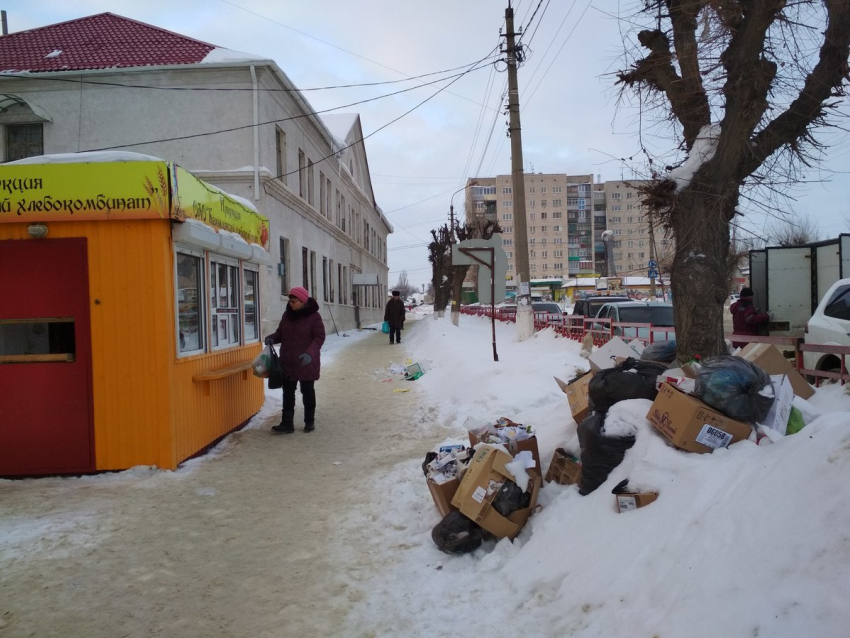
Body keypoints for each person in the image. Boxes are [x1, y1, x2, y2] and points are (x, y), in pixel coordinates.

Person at [264, 286, 325, 434]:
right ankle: (287, 424)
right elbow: (281, 333)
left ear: (303, 301)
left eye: (294, 301)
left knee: (307, 391)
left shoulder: (314, 317)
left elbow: (319, 337)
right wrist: (272, 337)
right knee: (288, 392)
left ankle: (309, 421)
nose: (291, 303)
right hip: (288, 361)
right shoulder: (287, 316)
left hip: (306, 361)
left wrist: (310, 353)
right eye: (290, 300)